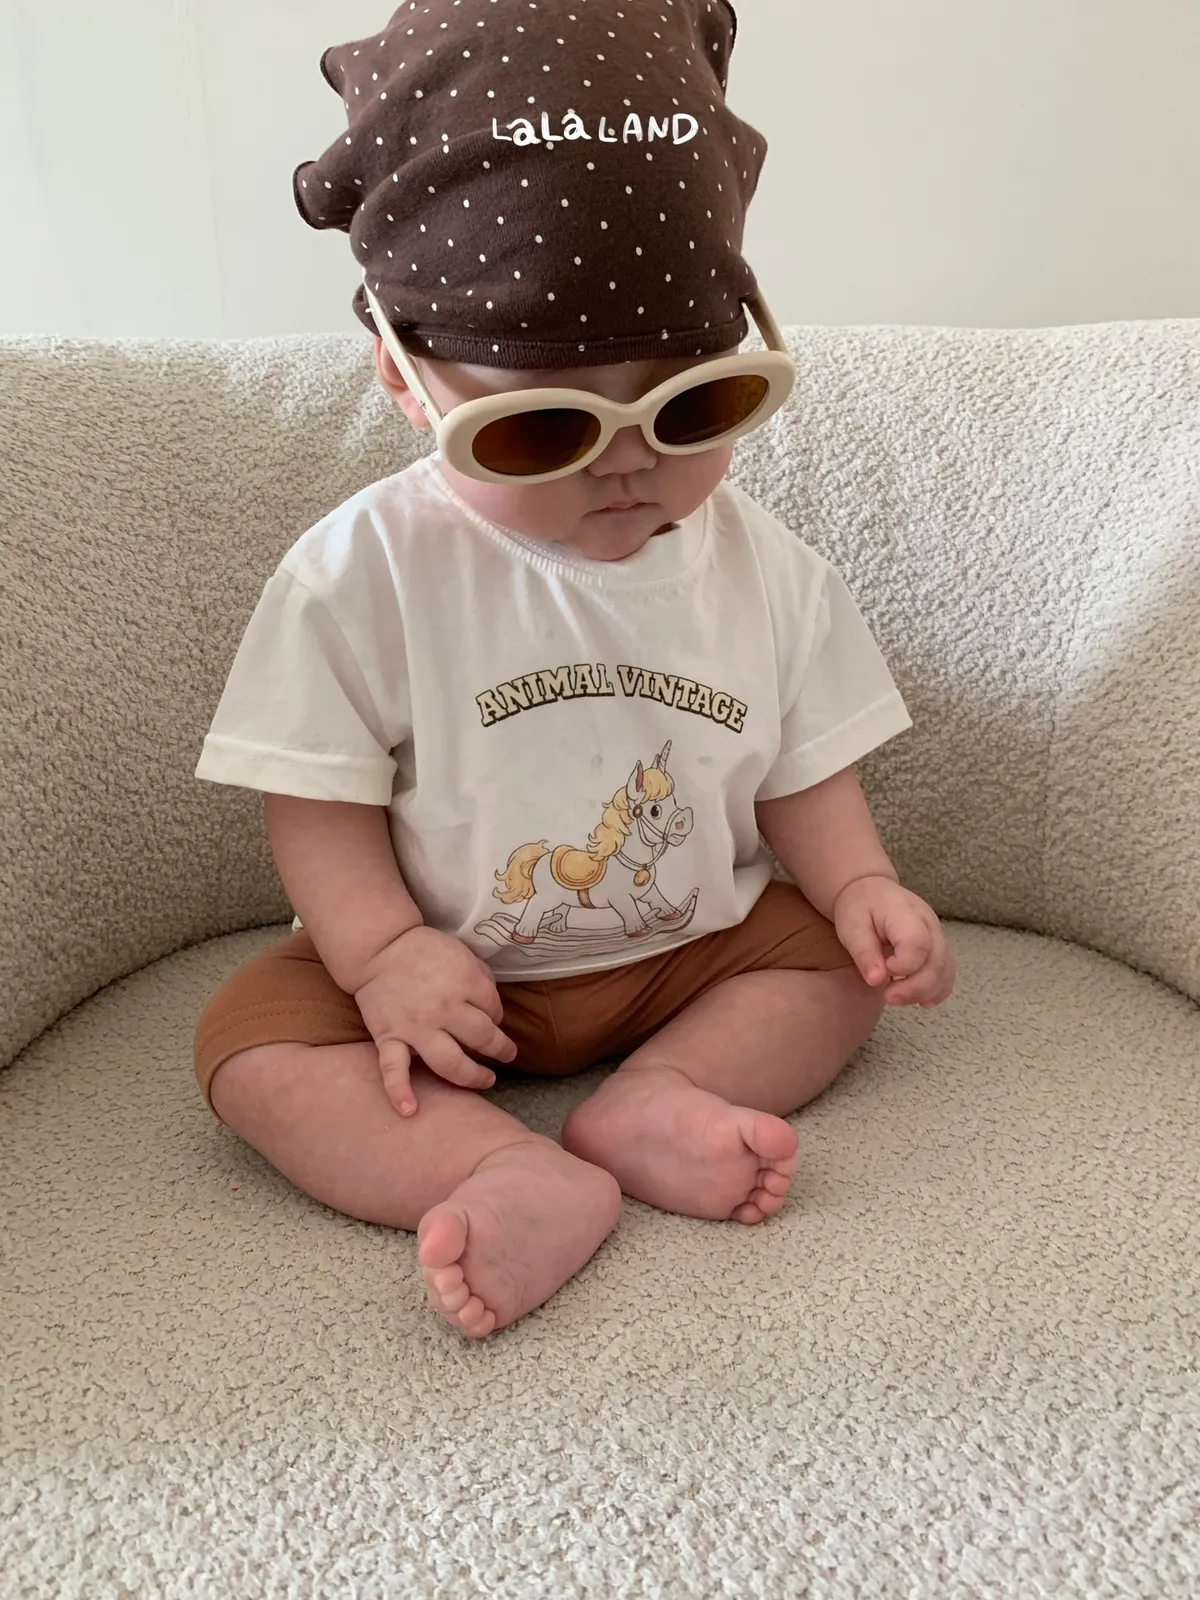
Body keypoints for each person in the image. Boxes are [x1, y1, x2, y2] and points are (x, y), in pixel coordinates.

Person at [194, 0, 955, 1339]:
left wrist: (862, 887)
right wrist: (380, 956)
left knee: (836, 971)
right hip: (445, 978)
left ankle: (658, 1097)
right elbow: (313, 795)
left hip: (691, 952)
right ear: (403, 378)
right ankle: (499, 1167)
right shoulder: (361, 574)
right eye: (543, 427)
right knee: (249, 1046)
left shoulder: (765, 569)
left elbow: (803, 767)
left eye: (692, 404)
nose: (627, 463)